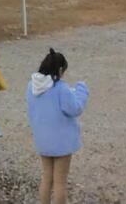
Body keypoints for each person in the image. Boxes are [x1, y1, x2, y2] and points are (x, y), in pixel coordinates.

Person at [26, 48, 89, 204]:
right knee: (60, 182)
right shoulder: (61, 88)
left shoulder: (31, 86)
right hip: (62, 143)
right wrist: (81, 90)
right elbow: (75, 108)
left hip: (42, 140)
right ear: (60, 69)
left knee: (47, 178)